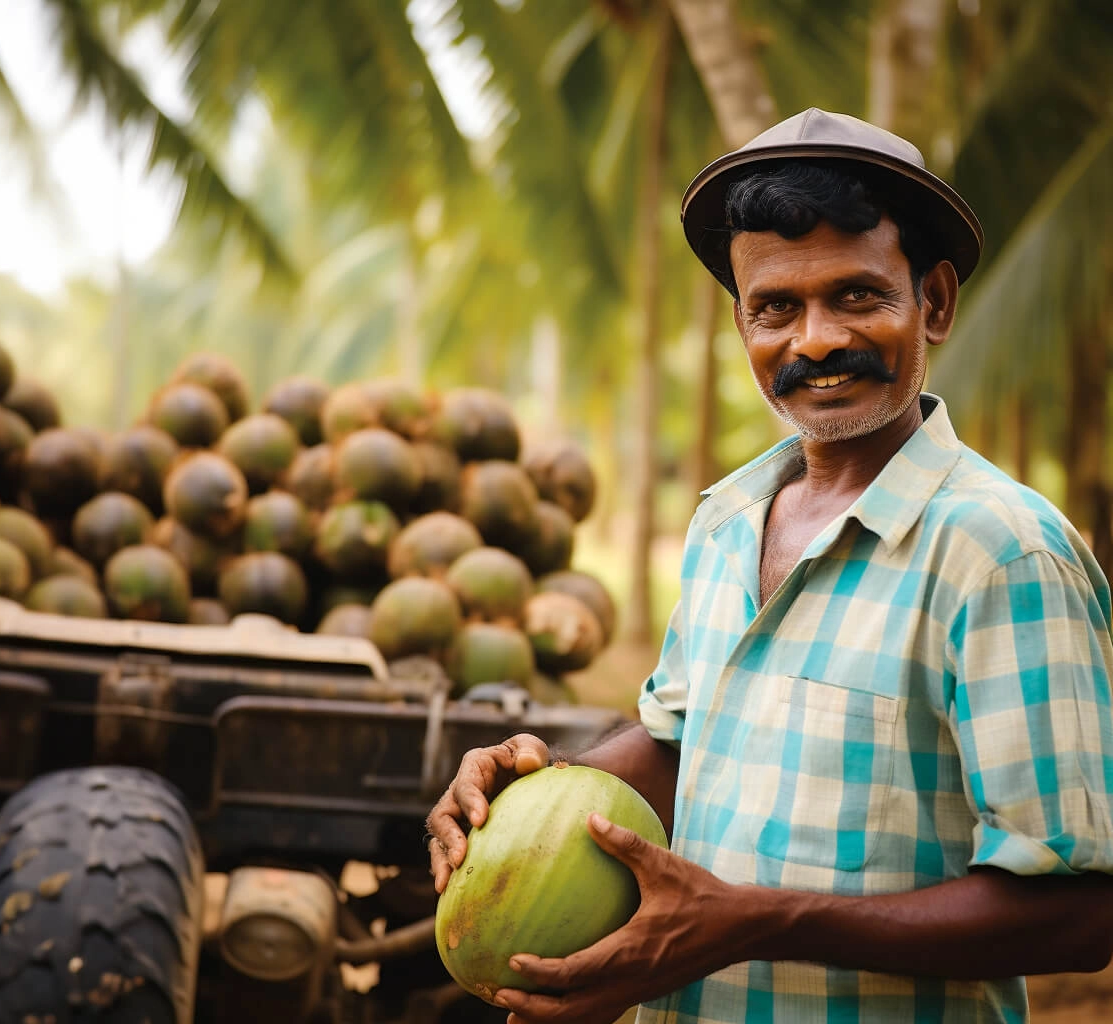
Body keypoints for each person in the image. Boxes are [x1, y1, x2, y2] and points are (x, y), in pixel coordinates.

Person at [425, 108, 1113, 1024]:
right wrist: (540, 789)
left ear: (935, 302)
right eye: (776, 308)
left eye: (858, 296)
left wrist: (754, 923)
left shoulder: (1000, 553)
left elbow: (1076, 911)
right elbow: (684, 744)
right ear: (742, 323)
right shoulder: (724, 524)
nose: (815, 340)